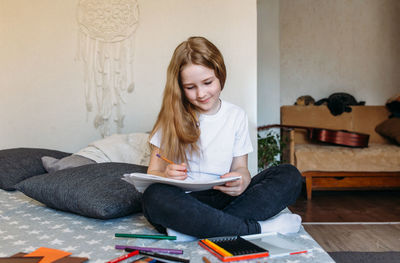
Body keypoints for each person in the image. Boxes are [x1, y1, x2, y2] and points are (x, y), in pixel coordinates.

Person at [142, 36, 302, 241]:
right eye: (190, 87)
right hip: (186, 201)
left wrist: (242, 180)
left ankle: (193, 231)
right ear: (180, 87)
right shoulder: (171, 117)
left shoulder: (236, 116)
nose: (201, 94)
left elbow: (241, 167)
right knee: (153, 197)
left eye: (208, 82)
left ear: (220, 76)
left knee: (289, 175)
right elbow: (152, 171)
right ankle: (258, 228)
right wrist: (166, 174)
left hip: (225, 197)